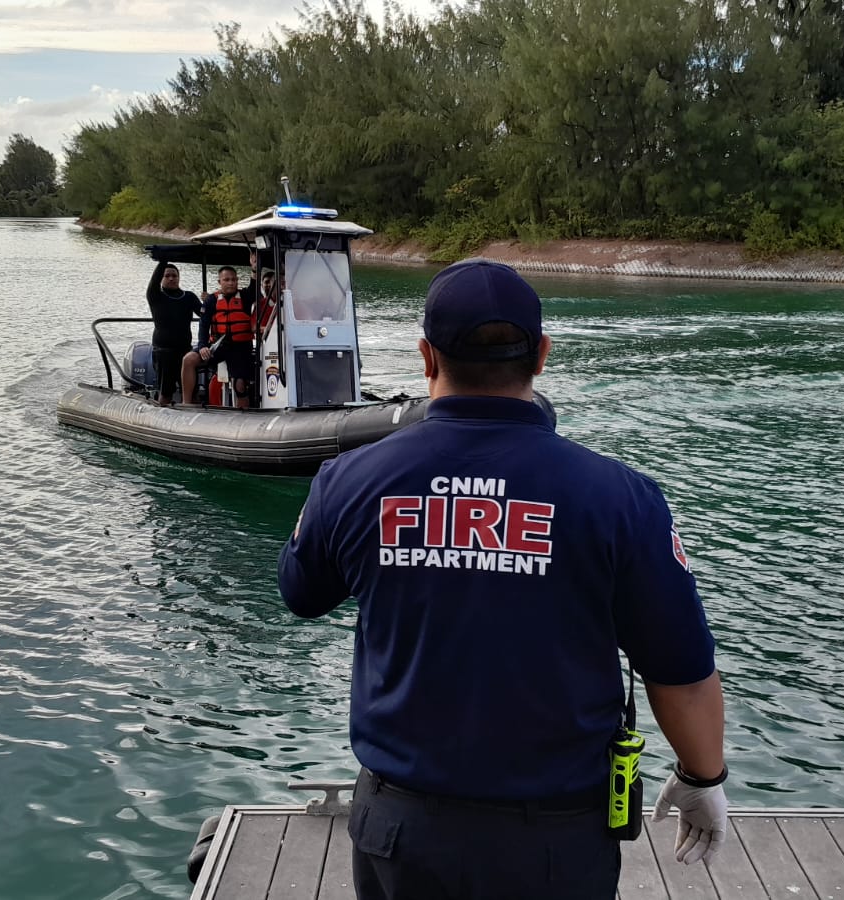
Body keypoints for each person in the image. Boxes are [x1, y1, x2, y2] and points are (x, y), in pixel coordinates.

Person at [277, 259, 728, 900]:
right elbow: (680, 670)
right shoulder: (621, 498)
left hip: (400, 832)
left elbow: (301, 593)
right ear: (541, 354)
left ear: (427, 357)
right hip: (554, 844)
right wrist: (702, 779)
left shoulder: (349, 480)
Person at [183, 264, 257, 409]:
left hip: (240, 348)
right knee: (189, 360)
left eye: (234, 280)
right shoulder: (211, 300)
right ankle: (187, 404)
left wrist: (254, 269)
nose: (231, 283)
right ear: (220, 282)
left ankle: (244, 415)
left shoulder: (245, 296)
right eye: (227, 280)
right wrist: (203, 345)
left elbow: (254, 287)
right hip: (219, 346)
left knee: (240, 386)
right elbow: (203, 325)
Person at [144, 260, 196, 406]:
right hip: (163, 351)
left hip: (185, 350)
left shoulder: (189, 297)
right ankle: (161, 414)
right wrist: (163, 259)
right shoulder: (155, 296)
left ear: (179, 277)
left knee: (191, 390)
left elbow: (206, 314)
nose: (171, 278)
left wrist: (209, 300)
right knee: (166, 391)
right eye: (167, 276)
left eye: (174, 275)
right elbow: (153, 282)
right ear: (161, 278)